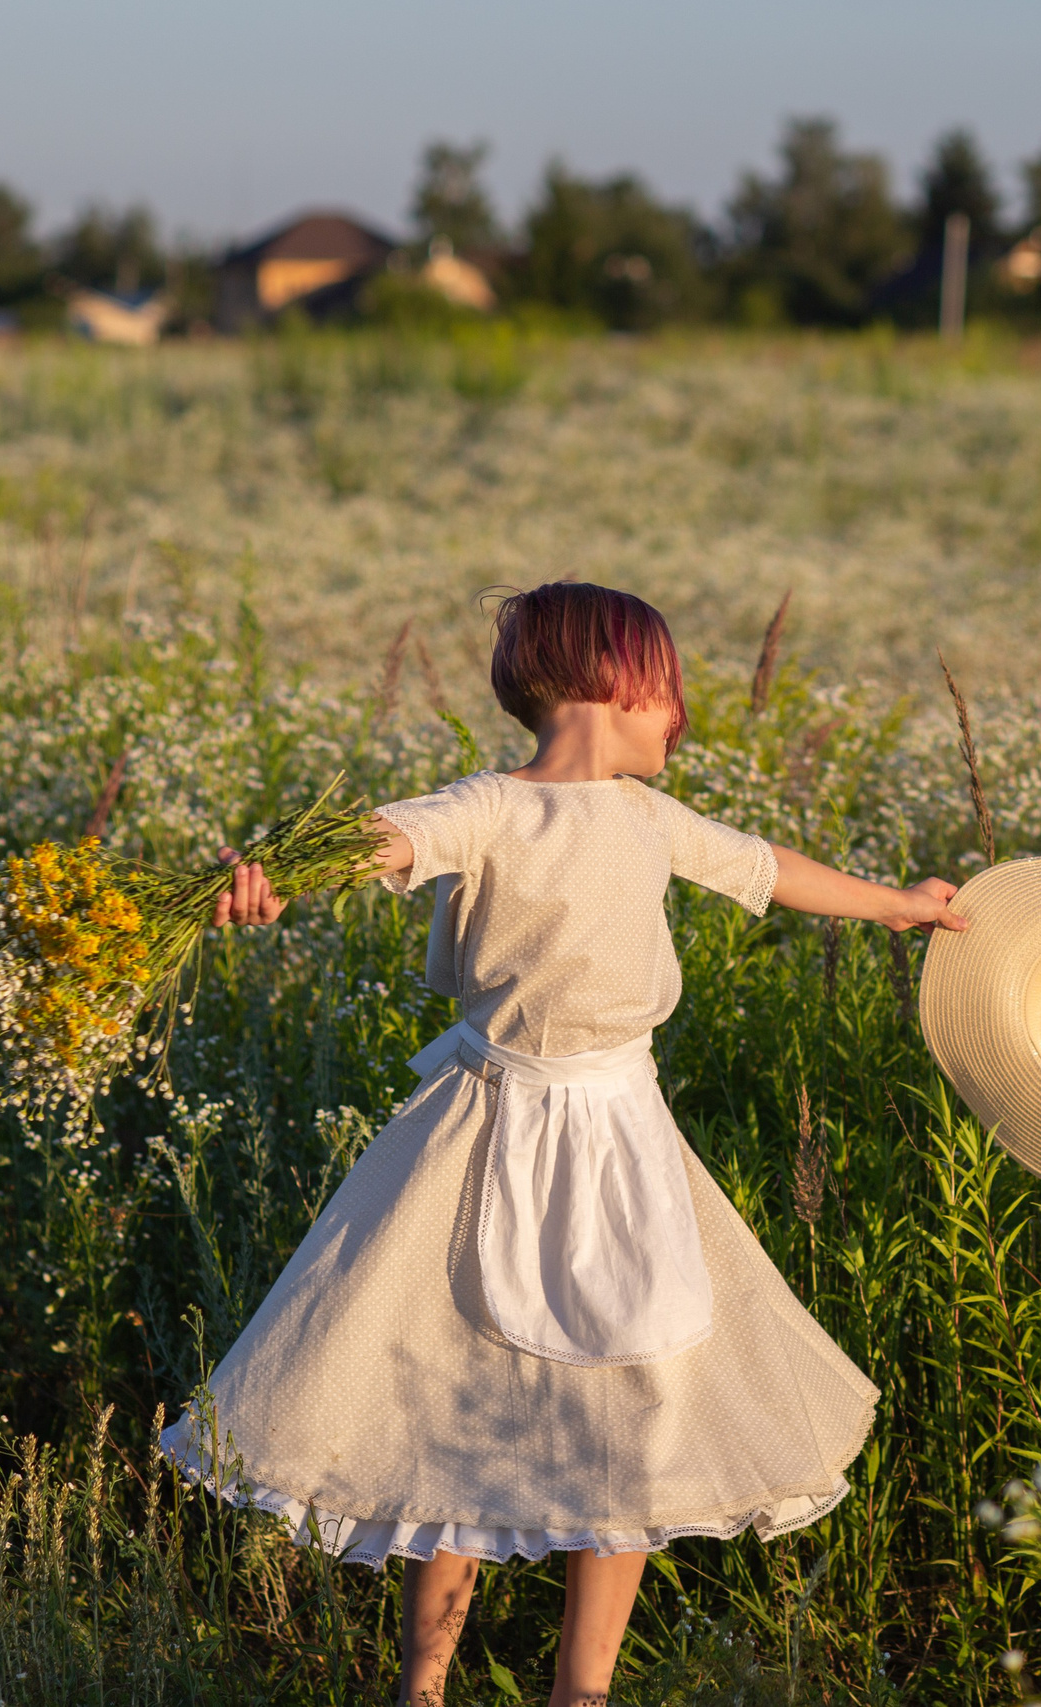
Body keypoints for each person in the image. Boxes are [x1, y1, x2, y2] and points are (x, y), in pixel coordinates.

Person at [159, 582, 966, 1706]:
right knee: (442, 1403)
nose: (680, 722)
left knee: (639, 1393)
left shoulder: (649, 820)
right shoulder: (489, 806)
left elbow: (769, 871)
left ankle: (580, 1695)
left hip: (623, 1137)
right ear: (620, 683)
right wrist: (267, 887)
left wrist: (896, 905)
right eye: (672, 695)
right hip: (481, 1136)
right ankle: (422, 1688)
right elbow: (386, 838)